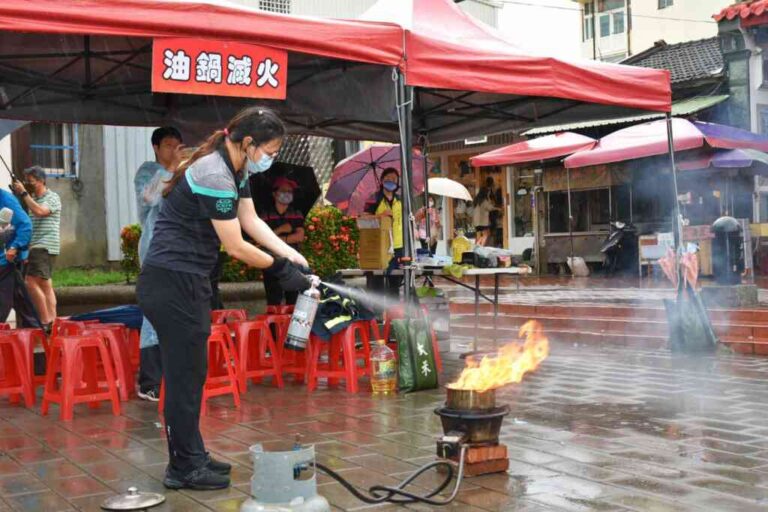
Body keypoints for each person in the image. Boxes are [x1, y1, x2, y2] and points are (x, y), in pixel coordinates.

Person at [136, 106, 311, 491]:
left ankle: (192, 455)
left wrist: (293, 256)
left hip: (189, 282)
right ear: (248, 143)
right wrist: (281, 271)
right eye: (270, 149)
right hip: (171, 283)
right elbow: (235, 245)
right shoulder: (214, 172)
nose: (271, 158)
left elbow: (252, 222)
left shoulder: (237, 168)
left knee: (191, 375)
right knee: (184, 379)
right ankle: (182, 467)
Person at [134, 126, 183, 402]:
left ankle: (171, 375)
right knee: (153, 313)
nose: (174, 150)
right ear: (156, 147)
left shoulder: (183, 172)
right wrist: (174, 167)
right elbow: (149, 197)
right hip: (155, 253)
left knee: (176, 313)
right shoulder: (147, 170)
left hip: (179, 254)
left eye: (178, 145)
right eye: (168, 145)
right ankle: (149, 381)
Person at [12, 166, 61, 332]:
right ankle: (53, 323)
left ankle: (45, 320)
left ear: (41, 181)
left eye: (31, 181)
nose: (28, 184)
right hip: (36, 246)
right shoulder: (32, 199)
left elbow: (41, 211)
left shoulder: (52, 197)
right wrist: (20, 195)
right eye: (27, 182)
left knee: (31, 282)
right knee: (46, 285)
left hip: (44, 245)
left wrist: (25, 194)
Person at [260, 177, 306, 306]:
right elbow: (262, 238)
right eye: (283, 190)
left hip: (293, 260)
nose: (287, 194)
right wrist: (281, 230)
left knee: (294, 300)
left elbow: (299, 236)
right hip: (271, 260)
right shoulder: (265, 214)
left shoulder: (296, 213)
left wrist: (274, 238)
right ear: (274, 193)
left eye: (290, 191)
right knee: (273, 299)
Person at [0, 189, 40, 327]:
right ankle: (37, 330)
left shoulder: (6, 199)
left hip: (6, 260)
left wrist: (15, 247)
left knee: (4, 299)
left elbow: (26, 225)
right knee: (20, 298)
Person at [364, 168, 403, 297]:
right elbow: (363, 220)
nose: (391, 181)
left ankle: (394, 315)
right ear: (382, 180)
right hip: (378, 247)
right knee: (376, 284)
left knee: (395, 284)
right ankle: (377, 314)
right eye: (388, 178)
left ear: (397, 183)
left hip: (397, 248)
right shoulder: (374, 198)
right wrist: (380, 215)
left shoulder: (401, 200)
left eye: (394, 179)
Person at [472, 181, 498, 247]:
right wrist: (498, 208)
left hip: (476, 222)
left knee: (479, 234)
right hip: (482, 221)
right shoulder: (484, 200)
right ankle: (480, 246)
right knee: (486, 234)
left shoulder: (476, 200)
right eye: (488, 193)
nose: (489, 193)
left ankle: (477, 246)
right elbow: (490, 207)